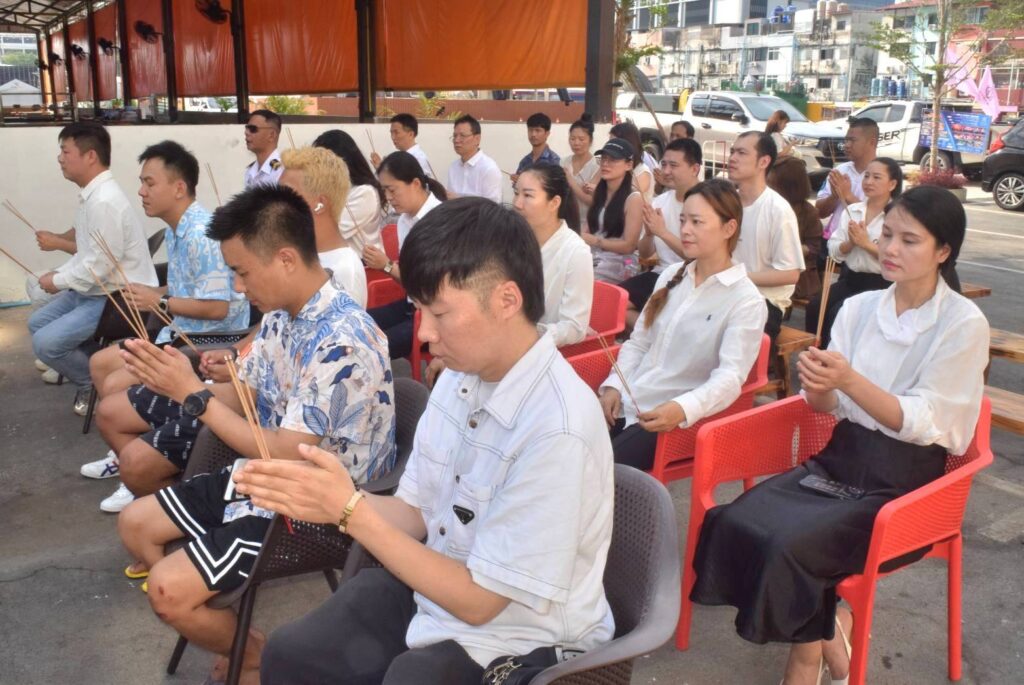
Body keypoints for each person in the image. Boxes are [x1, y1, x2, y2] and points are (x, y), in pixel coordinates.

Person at [233, 197, 615, 685]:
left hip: (518, 638)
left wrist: (351, 512)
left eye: (439, 313)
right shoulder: (460, 378)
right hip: (438, 593)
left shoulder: (558, 429)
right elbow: (416, 511)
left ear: (507, 300)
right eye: (418, 310)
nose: (425, 334)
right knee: (291, 654)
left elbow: (480, 603)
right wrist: (331, 500)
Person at [690, 185, 988, 685]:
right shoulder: (860, 308)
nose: (890, 249)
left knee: (789, 544)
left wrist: (848, 380)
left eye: (909, 240)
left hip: (905, 483)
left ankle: (805, 660)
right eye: (887, 235)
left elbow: (924, 421)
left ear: (943, 251)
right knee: (736, 520)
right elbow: (828, 407)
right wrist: (820, 384)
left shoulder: (962, 324)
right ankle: (830, 633)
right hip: (841, 458)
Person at [115, 185, 395, 684]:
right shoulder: (282, 318)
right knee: (135, 526)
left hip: (311, 508)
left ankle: (250, 654)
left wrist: (193, 396)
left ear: (285, 259)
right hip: (262, 478)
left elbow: (288, 451)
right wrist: (180, 382)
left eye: (242, 272)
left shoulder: (343, 342)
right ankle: (226, 622)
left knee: (167, 591)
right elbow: (243, 391)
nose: (238, 288)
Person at [81, 141, 251, 492]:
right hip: (178, 331)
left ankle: (139, 466)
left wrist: (159, 302)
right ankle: (126, 457)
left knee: (113, 385)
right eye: (142, 183)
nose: (141, 192)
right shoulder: (178, 229)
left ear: (179, 188)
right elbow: (188, 289)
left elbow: (218, 307)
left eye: (150, 183)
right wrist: (155, 294)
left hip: (206, 339)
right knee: (100, 363)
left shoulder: (202, 234)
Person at [598, 179, 766, 471]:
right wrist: (613, 385)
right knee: (565, 449)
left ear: (729, 228)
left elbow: (730, 377)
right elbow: (639, 343)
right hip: (631, 398)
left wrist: (682, 408)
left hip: (672, 420)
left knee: (597, 469)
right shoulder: (672, 276)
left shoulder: (745, 300)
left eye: (697, 222)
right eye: (683, 220)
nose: (685, 230)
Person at [28, 122, 157, 415]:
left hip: (117, 299)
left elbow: (98, 266)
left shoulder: (105, 201)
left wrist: (58, 281)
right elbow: (87, 255)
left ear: (90, 156)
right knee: (37, 324)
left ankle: (91, 383)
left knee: (45, 343)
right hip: (95, 291)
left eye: (66, 151)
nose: (60, 158)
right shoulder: (92, 196)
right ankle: (100, 368)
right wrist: (58, 276)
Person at [807, 157, 903, 348]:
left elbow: (899, 258)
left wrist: (866, 244)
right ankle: (816, 355)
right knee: (815, 307)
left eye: (877, 177)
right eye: (866, 176)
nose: (868, 182)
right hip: (851, 279)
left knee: (838, 313)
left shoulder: (898, 216)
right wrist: (851, 243)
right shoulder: (853, 210)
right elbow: (834, 251)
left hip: (882, 284)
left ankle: (834, 359)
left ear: (892, 184)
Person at [365, 151, 447, 360]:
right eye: (384, 191)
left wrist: (386, 266)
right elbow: (409, 279)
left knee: (370, 351)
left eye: (392, 190)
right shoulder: (404, 221)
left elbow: (430, 286)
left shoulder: (439, 220)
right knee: (353, 324)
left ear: (416, 183)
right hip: (410, 304)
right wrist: (388, 267)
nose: (388, 198)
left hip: (437, 316)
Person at [727, 131, 804, 345]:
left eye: (741, 153)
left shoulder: (778, 210)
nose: (732, 158)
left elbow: (791, 274)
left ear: (763, 162)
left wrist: (738, 277)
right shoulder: (725, 202)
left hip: (763, 301)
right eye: (733, 151)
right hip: (724, 293)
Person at [621, 138, 703, 329]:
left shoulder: (708, 203)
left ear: (695, 169)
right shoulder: (660, 202)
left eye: (673, 165)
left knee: (665, 318)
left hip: (693, 279)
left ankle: (659, 334)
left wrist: (662, 232)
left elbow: (697, 257)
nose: (665, 171)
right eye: (664, 164)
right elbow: (644, 253)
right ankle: (656, 334)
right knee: (613, 304)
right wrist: (650, 234)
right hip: (661, 274)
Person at [512, 163, 593, 347]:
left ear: (554, 203)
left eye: (528, 195)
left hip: (538, 349)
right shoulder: (510, 239)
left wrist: (525, 335)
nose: (517, 203)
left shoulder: (575, 252)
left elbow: (575, 327)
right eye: (516, 193)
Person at [280, 146, 367, 308]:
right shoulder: (295, 253)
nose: (275, 204)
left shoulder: (344, 271)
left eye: (286, 196)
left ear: (320, 204)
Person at [816, 117, 878, 271]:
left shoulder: (883, 174)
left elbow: (880, 215)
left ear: (872, 142)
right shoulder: (840, 171)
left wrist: (848, 196)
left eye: (852, 140)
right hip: (834, 244)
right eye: (846, 140)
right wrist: (834, 196)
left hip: (864, 250)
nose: (847, 145)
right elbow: (820, 212)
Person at [580, 138, 644, 285]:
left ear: (628, 165)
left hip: (622, 261)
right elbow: (586, 230)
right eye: (603, 159)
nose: (605, 164)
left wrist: (596, 241)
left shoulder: (633, 198)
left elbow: (629, 246)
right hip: (595, 256)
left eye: (613, 160)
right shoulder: (600, 193)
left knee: (584, 279)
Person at [312, 129, 387, 253]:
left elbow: (329, 232)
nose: (318, 167)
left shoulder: (364, 193)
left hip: (363, 262)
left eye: (322, 162)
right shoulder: (329, 188)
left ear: (342, 161)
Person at [768, 155, 822, 304]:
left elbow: (813, 248)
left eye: (771, 183)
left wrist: (786, 247)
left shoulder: (808, 212)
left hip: (796, 272)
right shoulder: (767, 205)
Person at [447, 114, 502, 203]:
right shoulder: (453, 167)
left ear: (477, 139)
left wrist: (460, 201)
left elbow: (492, 208)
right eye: (455, 136)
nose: (456, 140)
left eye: (462, 136)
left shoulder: (489, 169)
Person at [370, 113, 434, 178]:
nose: (392, 137)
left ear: (411, 134)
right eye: (391, 133)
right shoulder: (398, 157)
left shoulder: (419, 159)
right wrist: (380, 168)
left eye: (396, 132)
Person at [562, 113, 600, 218]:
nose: (576, 143)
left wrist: (570, 181)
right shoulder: (563, 162)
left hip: (587, 221)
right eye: (572, 138)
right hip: (565, 219)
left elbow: (592, 201)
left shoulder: (597, 167)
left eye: (581, 139)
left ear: (590, 141)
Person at [608, 122, 654, 201]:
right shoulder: (610, 165)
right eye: (609, 142)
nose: (610, 147)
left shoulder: (642, 172)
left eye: (614, 143)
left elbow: (626, 199)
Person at [243, 109, 283, 188]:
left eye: (253, 129)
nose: (246, 132)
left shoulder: (282, 171)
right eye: (246, 128)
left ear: (271, 135)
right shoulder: (250, 171)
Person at [513, 111, 560, 178]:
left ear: (547, 134)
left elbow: (558, 184)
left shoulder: (554, 161)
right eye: (530, 130)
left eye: (537, 130)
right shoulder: (525, 161)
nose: (533, 134)